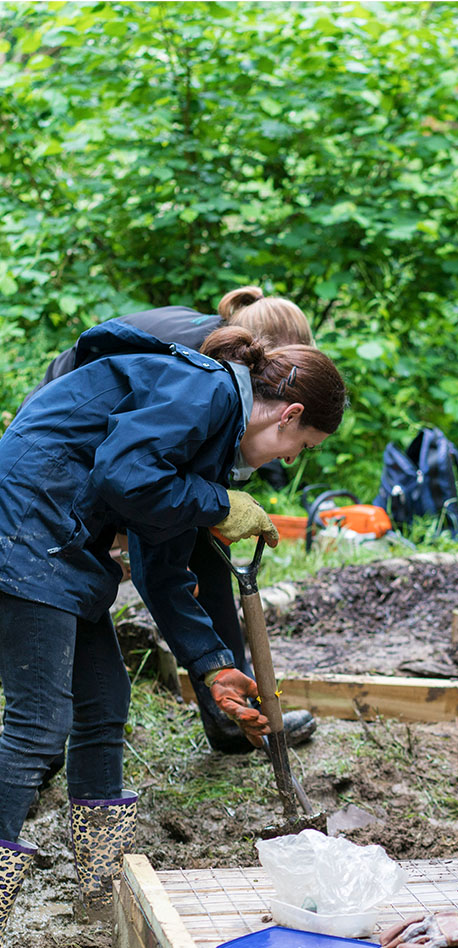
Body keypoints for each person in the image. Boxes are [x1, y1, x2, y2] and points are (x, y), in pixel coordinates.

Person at [0, 320, 346, 948]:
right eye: (296, 446)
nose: (283, 461)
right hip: (23, 532)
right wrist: (217, 503)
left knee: (104, 699)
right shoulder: (205, 391)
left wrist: (216, 667)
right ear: (290, 413)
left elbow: (161, 567)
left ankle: (103, 893)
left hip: (58, 545)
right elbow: (123, 474)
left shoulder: (209, 437)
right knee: (39, 725)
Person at [28, 286, 319, 755]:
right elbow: (138, 487)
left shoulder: (234, 378)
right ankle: (35, 748)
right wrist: (214, 504)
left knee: (198, 536)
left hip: (116, 457)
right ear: (269, 370)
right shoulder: (203, 375)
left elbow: (167, 531)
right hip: (54, 460)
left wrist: (212, 664)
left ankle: (226, 699)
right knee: (46, 680)